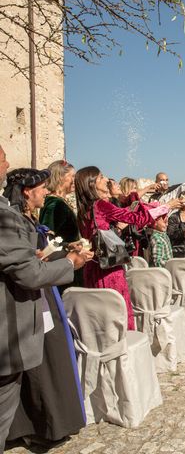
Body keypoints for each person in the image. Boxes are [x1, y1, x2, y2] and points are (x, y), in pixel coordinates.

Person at [0, 145, 87, 452]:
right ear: (27, 192)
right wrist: (70, 264)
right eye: (3, 158)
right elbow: (27, 273)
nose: (7, 162)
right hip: (17, 314)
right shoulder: (8, 217)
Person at [75, 166, 180, 330]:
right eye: (101, 177)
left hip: (92, 267)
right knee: (118, 312)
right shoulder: (100, 205)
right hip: (109, 269)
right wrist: (156, 205)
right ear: (92, 184)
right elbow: (136, 218)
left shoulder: (84, 209)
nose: (107, 180)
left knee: (100, 315)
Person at [39, 160, 83, 289]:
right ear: (60, 177)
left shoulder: (60, 202)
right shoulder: (54, 204)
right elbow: (47, 239)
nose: (75, 180)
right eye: (72, 176)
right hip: (63, 264)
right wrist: (68, 246)